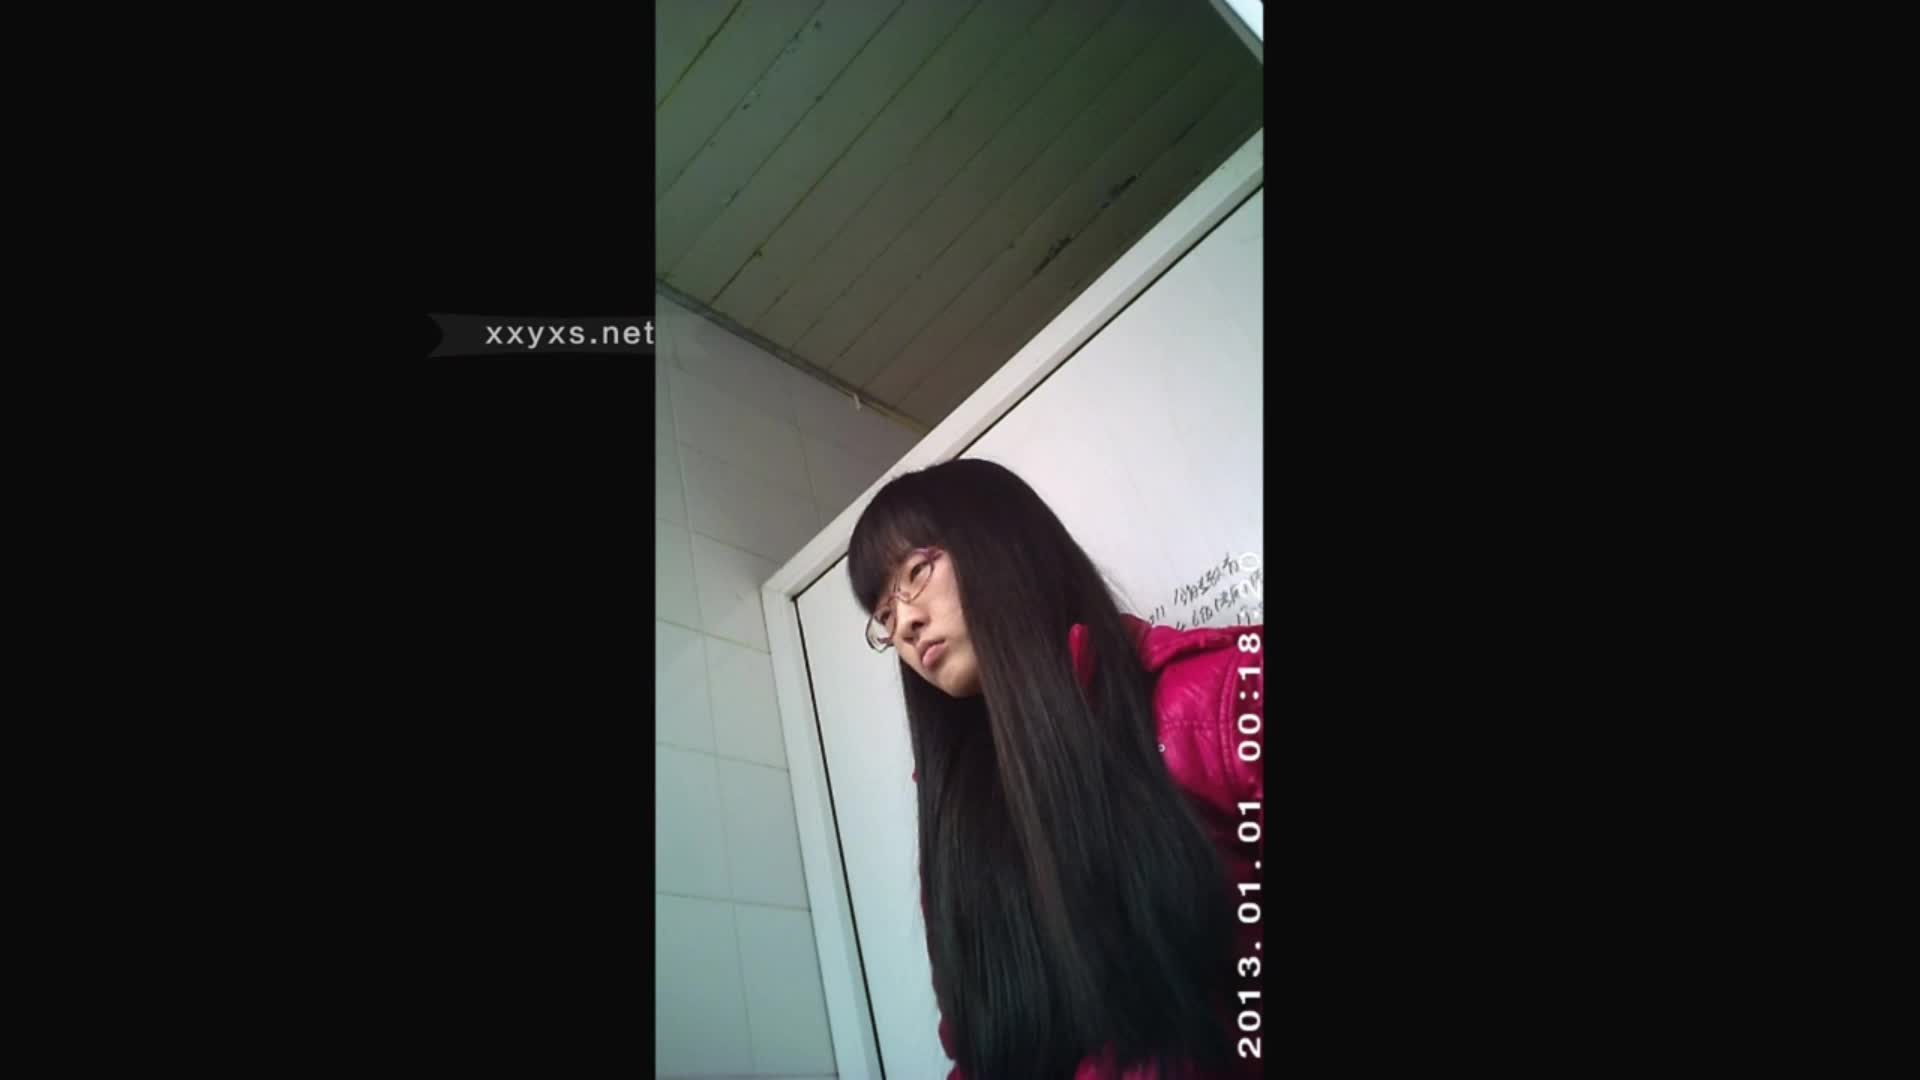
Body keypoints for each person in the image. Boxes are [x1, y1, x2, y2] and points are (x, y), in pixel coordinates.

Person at [849, 458, 1264, 1080]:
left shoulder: (1224, 702)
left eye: (916, 573)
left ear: (1002, 542)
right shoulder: (959, 822)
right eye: (883, 615)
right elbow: (976, 1049)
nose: (905, 623)